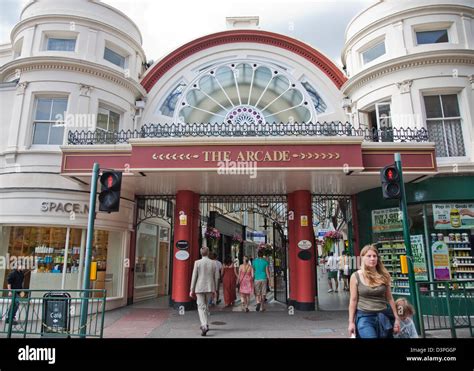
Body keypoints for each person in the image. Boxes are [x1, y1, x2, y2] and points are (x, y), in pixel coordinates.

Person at [348, 244, 401, 338]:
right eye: (369, 256)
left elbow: (390, 298)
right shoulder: (356, 276)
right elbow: (353, 300)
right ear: (362, 258)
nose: (372, 259)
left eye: (374, 256)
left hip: (383, 316)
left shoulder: (384, 275)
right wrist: (351, 322)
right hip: (365, 317)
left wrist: (396, 318)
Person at [189, 247, 220, 336]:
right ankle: (205, 323)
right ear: (208, 253)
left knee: (201, 306)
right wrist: (215, 289)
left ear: (201, 253)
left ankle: (204, 325)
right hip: (210, 287)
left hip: (199, 287)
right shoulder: (213, 263)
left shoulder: (197, 263)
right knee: (205, 306)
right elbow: (217, 277)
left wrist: (192, 289)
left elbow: (194, 276)